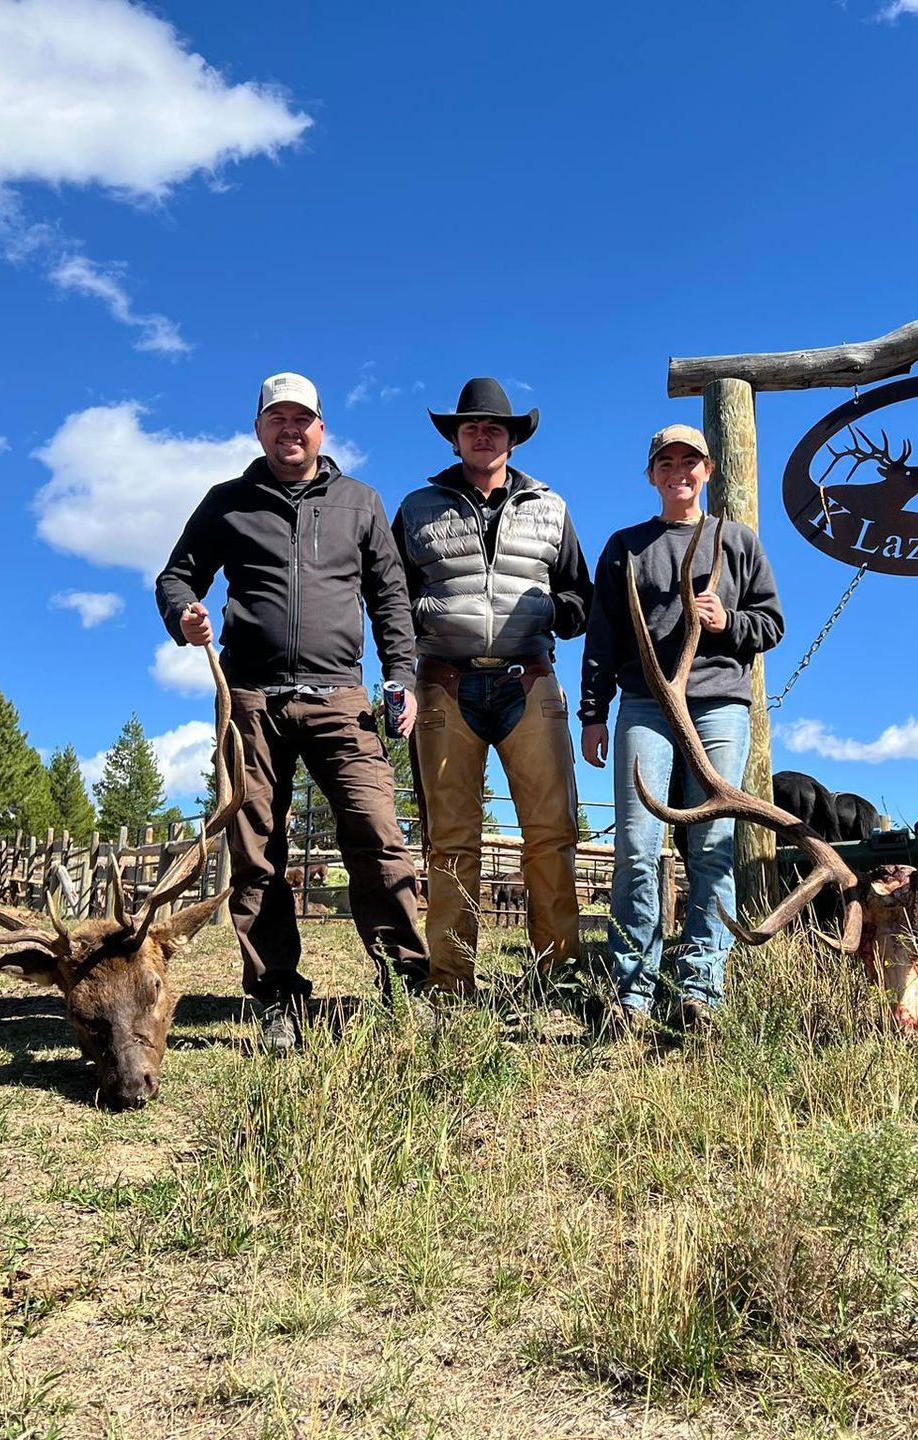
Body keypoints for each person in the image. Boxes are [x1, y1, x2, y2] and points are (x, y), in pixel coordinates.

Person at [155, 371, 431, 1052]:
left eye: (301, 419)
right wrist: (181, 615)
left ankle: (407, 986)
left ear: (321, 428)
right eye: (276, 419)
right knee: (255, 853)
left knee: (377, 834)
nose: (290, 430)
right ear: (259, 430)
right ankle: (278, 995)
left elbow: (390, 597)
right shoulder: (228, 502)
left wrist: (401, 675)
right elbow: (176, 574)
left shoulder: (360, 502)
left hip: (340, 695)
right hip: (249, 700)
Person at [392, 378, 593, 995]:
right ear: (455, 437)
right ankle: (451, 979)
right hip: (443, 687)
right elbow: (390, 599)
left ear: (512, 437)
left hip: (529, 682)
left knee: (551, 832)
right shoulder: (417, 508)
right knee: (449, 839)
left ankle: (556, 975)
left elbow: (580, 597)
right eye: (471, 426)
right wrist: (400, 676)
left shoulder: (551, 509)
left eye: (494, 427)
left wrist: (557, 608)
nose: (483, 434)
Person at [580, 424, 783, 1033]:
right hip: (645, 704)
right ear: (651, 475)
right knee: (638, 847)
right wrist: (594, 713)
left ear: (709, 469)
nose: (679, 472)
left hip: (719, 704)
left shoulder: (737, 541)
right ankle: (630, 992)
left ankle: (701, 989)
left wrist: (729, 622)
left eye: (689, 462)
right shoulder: (627, 546)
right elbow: (602, 635)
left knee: (713, 845)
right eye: (666, 463)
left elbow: (770, 623)